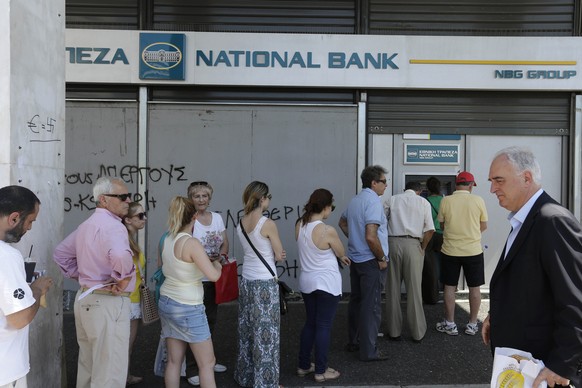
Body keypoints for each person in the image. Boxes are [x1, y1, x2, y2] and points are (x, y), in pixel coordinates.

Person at [483, 146, 582, 388]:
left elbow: (575, 301)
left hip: (543, 371)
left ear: (526, 178)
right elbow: (530, 284)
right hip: (521, 366)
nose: (492, 189)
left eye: (499, 180)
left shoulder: (552, 220)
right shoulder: (524, 219)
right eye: (491, 181)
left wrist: (562, 365)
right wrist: (496, 315)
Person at [54, 176, 136, 388]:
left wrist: (84, 277)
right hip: (107, 302)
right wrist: (122, 278)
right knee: (109, 372)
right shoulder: (114, 226)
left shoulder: (87, 225)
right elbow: (119, 254)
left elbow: (61, 253)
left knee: (89, 367)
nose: (128, 200)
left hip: (86, 299)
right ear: (103, 199)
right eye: (123, 196)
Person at [158, 196, 222, 388]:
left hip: (167, 301)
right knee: (207, 363)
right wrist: (217, 264)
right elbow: (213, 276)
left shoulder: (167, 238)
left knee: (174, 361)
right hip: (189, 307)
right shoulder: (191, 243)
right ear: (194, 216)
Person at [0, 185, 53, 388]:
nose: (29, 228)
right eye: (30, 221)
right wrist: (37, 290)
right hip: (5, 372)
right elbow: (19, 318)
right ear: (14, 218)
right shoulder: (6, 256)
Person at [295, 189, 350, 383]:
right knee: (324, 326)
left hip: (307, 281)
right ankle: (321, 370)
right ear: (326, 207)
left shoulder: (300, 225)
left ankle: (303, 365)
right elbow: (340, 251)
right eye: (331, 208)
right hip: (326, 283)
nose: (331, 211)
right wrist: (341, 256)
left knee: (311, 323)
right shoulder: (327, 230)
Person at [235, 181, 286, 388]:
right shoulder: (267, 223)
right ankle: (266, 383)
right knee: (267, 336)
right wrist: (279, 253)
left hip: (246, 280)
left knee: (247, 331)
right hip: (264, 283)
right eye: (269, 196)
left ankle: (246, 376)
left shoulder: (241, 221)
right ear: (262, 198)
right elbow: (279, 254)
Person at [338, 165, 389, 361]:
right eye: (384, 182)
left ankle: (354, 341)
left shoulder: (355, 200)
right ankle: (369, 351)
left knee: (357, 301)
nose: (386, 185)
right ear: (374, 183)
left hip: (356, 259)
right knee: (372, 305)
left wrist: (354, 238)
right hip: (370, 261)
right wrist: (381, 258)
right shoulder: (373, 202)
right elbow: (371, 236)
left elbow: (342, 222)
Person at [185, 181, 229, 386]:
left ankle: (208, 362)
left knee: (211, 321)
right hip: (195, 279)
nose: (201, 199)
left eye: (204, 196)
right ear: (190, 198)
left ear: (209, 198)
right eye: (197, 196)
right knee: (195, 325)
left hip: (213, 276)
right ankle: (192, 368)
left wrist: (221, 256)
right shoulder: (188, 220)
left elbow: (224, 241)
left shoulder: (217, 218)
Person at [436, 171, 488, 337]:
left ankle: (450, 324)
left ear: (456, 184)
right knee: (475, 287)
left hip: (450, 250)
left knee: (449, 286)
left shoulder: (446, 200)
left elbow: (442, 225)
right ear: (471, 185)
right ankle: (472, 324)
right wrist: (471, 234)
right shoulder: (478, 200)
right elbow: (484, 225)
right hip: (473, 250)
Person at [384, 181, 434, 342]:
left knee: (392, 289)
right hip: (413, 244)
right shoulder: (423, 202)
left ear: (405, 189)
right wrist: (423, 247)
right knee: (414, 290)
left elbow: (381, 223)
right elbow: (430, 230)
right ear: (419, 191)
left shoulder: (391, 199)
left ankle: (394, 331)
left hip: (392, 243)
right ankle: (417, 332)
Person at [122, 202, 148, 386]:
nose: (144, 218)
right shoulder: (126, 242)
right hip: (129, 299)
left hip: (131, 297)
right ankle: (122, 377)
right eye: (140, 216)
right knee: (126, 345)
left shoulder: (129, 240)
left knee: (126, 345)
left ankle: (125, 375)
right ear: (128, 219)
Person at [422, 176, 444, 304]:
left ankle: (431, 296)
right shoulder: (445, 201)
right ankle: (447, 291)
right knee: (445, 264)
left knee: (430, 267)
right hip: (443, 236)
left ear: (427, 188)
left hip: (430, 235)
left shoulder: (425, 201)